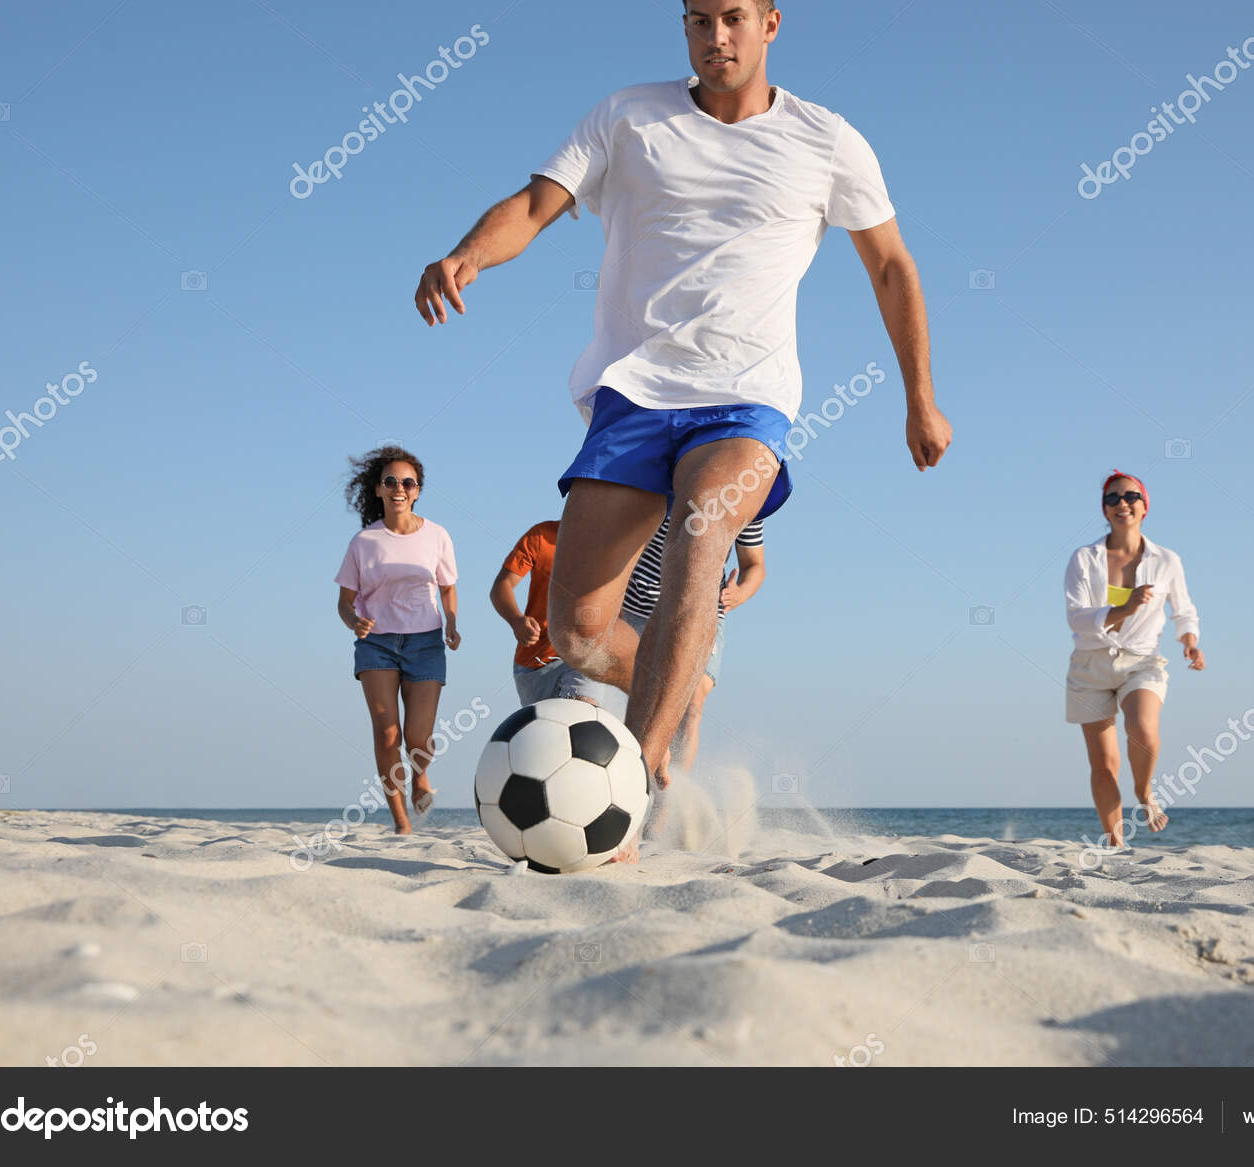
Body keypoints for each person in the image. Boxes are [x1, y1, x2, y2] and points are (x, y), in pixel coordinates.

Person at [414, 0, 951, 859]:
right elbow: (534, 203)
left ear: (772, 23)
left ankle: (635, 764)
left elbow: (891, 266)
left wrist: (920, 398)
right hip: (632, 394)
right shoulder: (628, 115)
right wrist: (467, 254)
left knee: (704, 528)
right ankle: (681, 682)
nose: (716, 37)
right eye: (698, 20)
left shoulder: (826, 139)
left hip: (747, 398)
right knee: (580, 629)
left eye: (734, 18)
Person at [1064, 471, 1204, 848]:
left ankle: (1144, 792)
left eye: (1130, 496)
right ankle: (1116, 842)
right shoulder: (1084, 558)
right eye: (1112, 499)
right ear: (1104, 511)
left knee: (1142, 731)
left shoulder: (1166, 560)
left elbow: (1184, 609)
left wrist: (1190, 642)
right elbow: (1076, 617)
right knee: (1104, 763)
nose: (1121, 503)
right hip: (1090, 665)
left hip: (1142, 660)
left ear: (1145, 507)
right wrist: (1123, 608)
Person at [334, 447, 460, 835]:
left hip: (425, 643)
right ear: (378, 490)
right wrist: (354, 622)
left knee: (417, 737)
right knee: (387, 732)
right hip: (377, 645)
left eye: (407, 482)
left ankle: (421, 774)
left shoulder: (437, 535)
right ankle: (401, 821)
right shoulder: (363, 542)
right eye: (390, 482)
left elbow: (447, 588)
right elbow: (344, 603)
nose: (399, 488)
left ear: (417, 491)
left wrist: (451, 624)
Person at [621, 514, 765, 777]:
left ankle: (670, 803)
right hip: (637, 609)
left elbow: (754, 564)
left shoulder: (747, 503)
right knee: (643, 699)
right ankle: (635, 777)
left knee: (692, 704)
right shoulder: (667, 480)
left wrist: (741, 592)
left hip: (703, 611)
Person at [491, 519, 607, 706]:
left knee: (581, 709)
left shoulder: (616, 541)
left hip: (586, 654)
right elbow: (501, 587)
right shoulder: (541, 536)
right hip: (535, 663)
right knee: (545, 733)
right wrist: (516, 620)